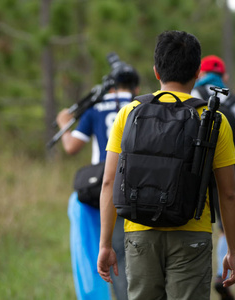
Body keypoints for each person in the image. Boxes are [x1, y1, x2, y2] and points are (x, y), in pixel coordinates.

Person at [97, 30, 235, 300]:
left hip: (139, 233)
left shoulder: (128, 114)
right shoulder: (213, 120)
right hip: (192, 233)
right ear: (198, 72)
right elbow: (229, 193)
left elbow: (108, 182)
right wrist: (232, 250)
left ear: (155, 71)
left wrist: (105, 244)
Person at [56, 62, 140, 300]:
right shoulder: (140, 105)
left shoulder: (95, 108)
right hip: (139, 186)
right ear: (136, 86)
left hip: (107, 188)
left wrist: (64, 123)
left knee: (112, 252)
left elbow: (71, 147)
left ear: (109, 86)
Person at [192, 55, 235, 300]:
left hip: (195, 174)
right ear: (225, 77)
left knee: (196, 226)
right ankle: (222, 275)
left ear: (199, 74)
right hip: (229, 172)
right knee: (224, 226)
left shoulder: (192, 95)